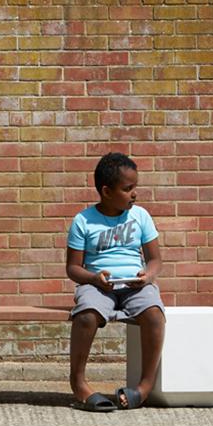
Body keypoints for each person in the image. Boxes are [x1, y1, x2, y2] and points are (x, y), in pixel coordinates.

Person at [65, 152, 165, 411]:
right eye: (128, 189)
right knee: (86, 314)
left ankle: (144, 386)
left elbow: (155, 260)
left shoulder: (140, 216)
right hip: (98, 285)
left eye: (135, 188)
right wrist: (94, 279)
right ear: (107, 191)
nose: (134, 194)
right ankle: (79, 384)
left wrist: (147, 275)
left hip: (135, 285)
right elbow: (73, 268)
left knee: (154, 314)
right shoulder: (83, 221)